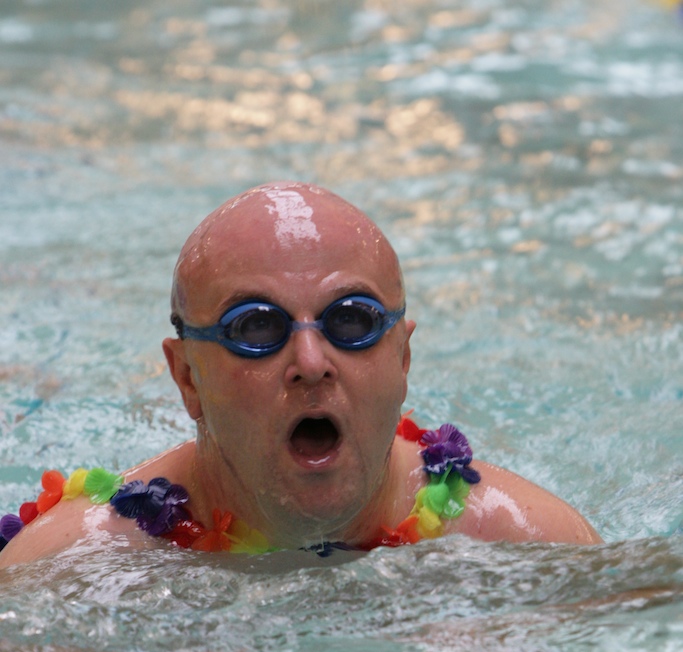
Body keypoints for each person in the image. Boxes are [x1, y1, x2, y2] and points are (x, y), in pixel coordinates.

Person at [0, 182, 601, 569]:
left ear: (403, 359)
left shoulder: (531, 547)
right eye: (257, 327)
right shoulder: (67, 569)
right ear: (188, 379)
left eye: (351, 320)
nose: (311, 363)